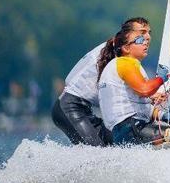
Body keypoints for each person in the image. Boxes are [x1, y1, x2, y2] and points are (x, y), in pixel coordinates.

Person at [51, 17, 147, 146]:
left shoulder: (122, 52)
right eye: (142, 33)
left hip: (85, 110)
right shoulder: (119, 52)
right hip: (69, 108)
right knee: (97, 153)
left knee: (115, 144)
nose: (147, 37)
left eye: (148, 33)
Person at [97, 18, 170, 145]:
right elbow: (144, 90)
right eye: (139, 40)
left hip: (124, 131)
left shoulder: (127, 66)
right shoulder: (125, 63)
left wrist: (161, 115)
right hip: (130, 127)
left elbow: (139, 104)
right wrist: (161, 78)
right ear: (126, 48)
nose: (146, 42)